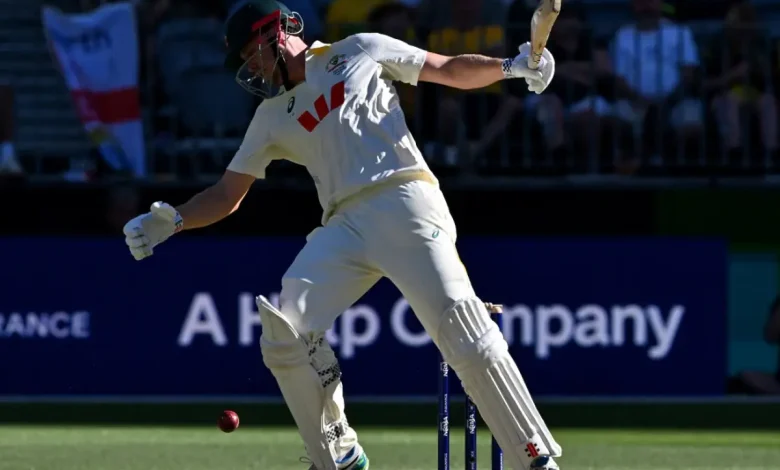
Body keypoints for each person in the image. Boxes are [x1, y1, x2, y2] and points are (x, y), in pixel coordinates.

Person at [122, 1, 559, 469]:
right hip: (344, 226)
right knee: (285, 327)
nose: (253, 67)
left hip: (404, 198)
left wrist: (513, 67)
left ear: (276, 32)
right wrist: (176, 219)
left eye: (253, 53)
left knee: (465, 332)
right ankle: (339, 453)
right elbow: (229, 193)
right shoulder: (271, 116)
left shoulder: (359, 50)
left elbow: (448, 69)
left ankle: (533, 456)